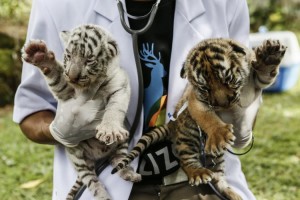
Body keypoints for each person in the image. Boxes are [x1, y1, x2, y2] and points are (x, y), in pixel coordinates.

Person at [13, 0, 257, 199]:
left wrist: (243, 116)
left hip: (199, 174)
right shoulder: (56, 5)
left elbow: (242, 98)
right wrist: (58, 129)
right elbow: (31, 110)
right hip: (109, 180)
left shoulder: (226, 4)